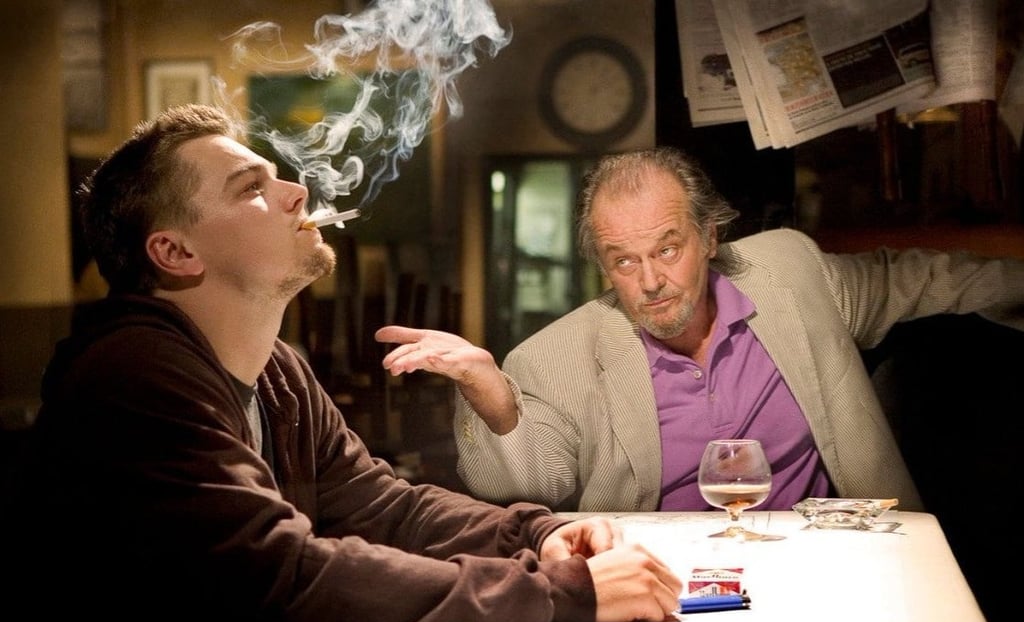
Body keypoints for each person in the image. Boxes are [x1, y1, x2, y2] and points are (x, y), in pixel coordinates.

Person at [0, 105, 682, 622]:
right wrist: (562, 591)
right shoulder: (130, 376)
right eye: (252, 189)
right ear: (175, 250)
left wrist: (533, 533)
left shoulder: (279, 371)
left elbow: (386, 507)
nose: (297, 191)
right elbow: (286, 576)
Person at [375, 146, 1024, 513]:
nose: (650, 279)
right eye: (624, 260)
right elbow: (518, 488)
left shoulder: (790, 272)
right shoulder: (555, 355)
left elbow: (917, 279)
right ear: (603, 265)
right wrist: (490, 389)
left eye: (667, 248)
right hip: (666, 589)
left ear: (710, 236)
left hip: (838, 560)